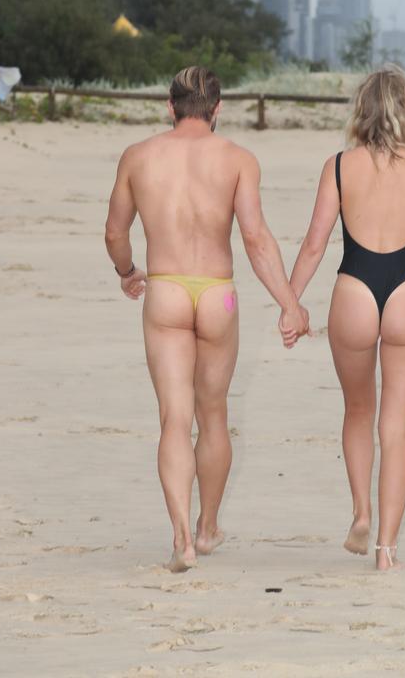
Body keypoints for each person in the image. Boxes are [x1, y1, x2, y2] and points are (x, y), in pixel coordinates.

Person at [105, 66, 309, 572]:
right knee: (212, 415)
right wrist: (289, 303)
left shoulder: (138, 157)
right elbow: (256, 240)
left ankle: (180, 538)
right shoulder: (238, 159)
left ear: (170, 107)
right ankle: (209, 526)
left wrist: (129, 271)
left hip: (167, 292)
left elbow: (113, 232)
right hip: (218, 295)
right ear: (218, 110)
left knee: (175, 420)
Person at [284, 65, 405, 570]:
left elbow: (315, 243)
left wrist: (292, 302)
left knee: (358, 411)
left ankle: (360, 512)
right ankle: (386, 551)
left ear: (361, 109)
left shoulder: (339, 165)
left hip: (354, 289)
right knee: (396, 427)